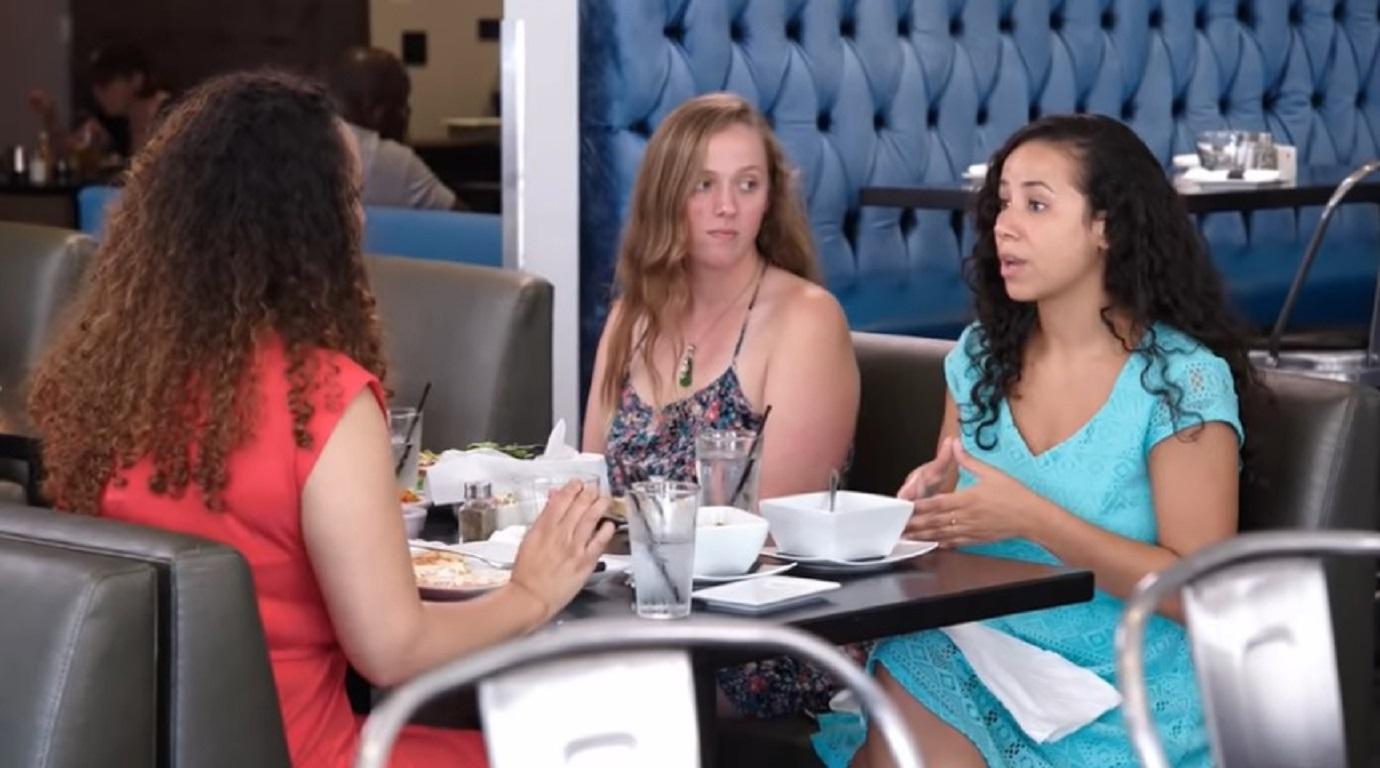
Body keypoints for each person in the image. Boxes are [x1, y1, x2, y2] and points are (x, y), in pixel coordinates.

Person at [27, 70, 613, 768]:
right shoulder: (322, 401)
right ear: (310, 222)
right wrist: (531, 591)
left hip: (146, 751)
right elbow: (393, 650)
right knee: (609, 746)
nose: (361, 219)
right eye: (351, 197)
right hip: (309, 755)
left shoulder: (106, 381)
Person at [814, 113, 1262, 767]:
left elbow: (1199, 596)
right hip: (984, 662)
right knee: (914, 656)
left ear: (1105, 225)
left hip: (1122, 702)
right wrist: (928, 517)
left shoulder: (1181, 380)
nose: (1005, 226)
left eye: (1037, 204)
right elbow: (951, 556)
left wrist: (1034, 519)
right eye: (1001, 204)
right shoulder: (978, 360)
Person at [582, 91, 860, 717]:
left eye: (748, 184)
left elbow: (767, 534)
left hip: (763, 634)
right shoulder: (633, 315)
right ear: (666, 195)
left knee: (577, 698)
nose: (726, 208)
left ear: (771, 198)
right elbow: (590, 482)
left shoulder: (805, 319)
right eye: (702, 185)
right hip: (637, 612)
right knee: (494, 663)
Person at [328, 46, 463, 211]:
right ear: (377, 112)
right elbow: (469, 225)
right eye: (402, 104)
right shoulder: (389, 160)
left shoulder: (297, 140)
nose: (407, 113)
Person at [27, 43, 170, 164]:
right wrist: (50, 117)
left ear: (136, 80)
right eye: (95, 85)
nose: (97, 93)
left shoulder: (171, 114)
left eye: (105, 84)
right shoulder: (111, 119)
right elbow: (66, 153)